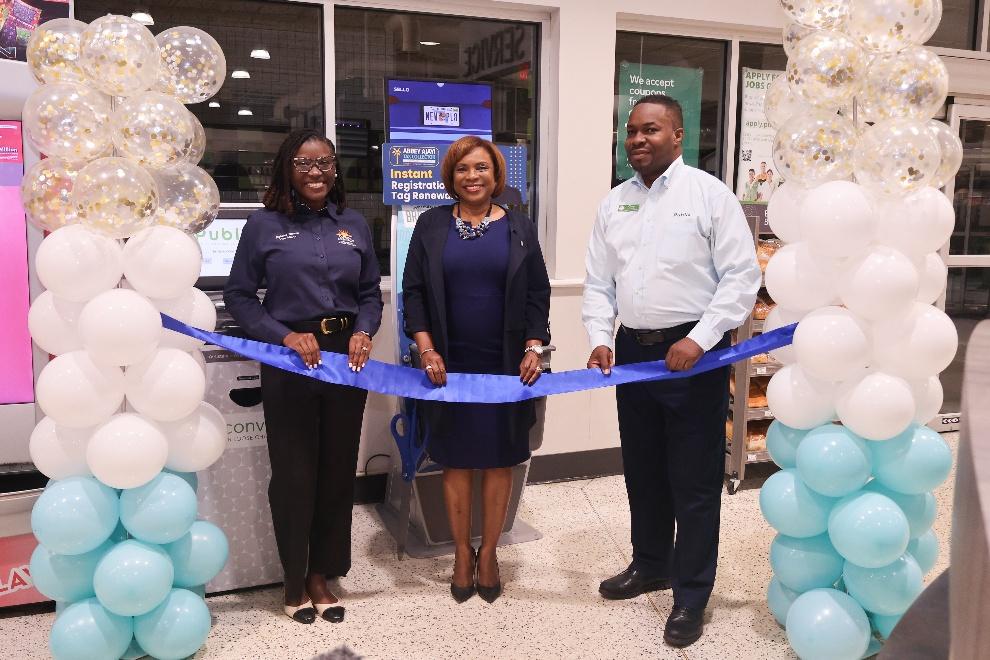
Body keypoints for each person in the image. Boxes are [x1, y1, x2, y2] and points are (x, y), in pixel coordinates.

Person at [583, 95, 761, 648]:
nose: (637, 140)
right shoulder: (615, 203)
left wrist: (698, 339)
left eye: (650, 130)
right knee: (643, 470)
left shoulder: (709, 195)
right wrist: (599, 338)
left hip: (692, 358)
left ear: (678, 136)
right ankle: (651, 564)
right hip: (634, 356)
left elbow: (741, 278)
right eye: (631, 131)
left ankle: (691, 594)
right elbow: (598, 283)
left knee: (694, 481)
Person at [224, 128, 383, 624]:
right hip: (292, 359)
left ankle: (323, 575)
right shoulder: (263, 226)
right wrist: (284, 336)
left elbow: (371, 294)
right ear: (287, 169)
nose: (316, 172)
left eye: (326, 164)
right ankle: (294, 576)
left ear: (335, 170)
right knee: (295, 473)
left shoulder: (353, 223)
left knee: (337, 471)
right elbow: (240, 297)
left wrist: (364, 329)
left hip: (344, 360)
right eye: (305, 163)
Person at [402, 135, 551, 604]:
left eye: (482, 167)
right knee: (457, 460)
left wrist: (534, 347)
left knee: (501, 459)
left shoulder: (520, 227)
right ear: (451, 175)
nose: (473, 176)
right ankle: (461, 555)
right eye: (464, 168)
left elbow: (536, 295)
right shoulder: (430, 225)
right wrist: (426, 350)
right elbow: (414, 294)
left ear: (496, 175)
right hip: (446, 366)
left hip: (506, 367)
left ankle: (490, 553)